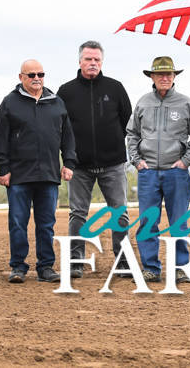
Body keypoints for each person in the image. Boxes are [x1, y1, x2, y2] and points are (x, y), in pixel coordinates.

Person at [0, 59, 76, 283]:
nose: (36, 78)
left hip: (48, 174)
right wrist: (2, 168)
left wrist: (68, 162)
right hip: (18, 176)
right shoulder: (10, 103)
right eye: (31, 75)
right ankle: (18, 266)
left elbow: (67, 136)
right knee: (18, 222)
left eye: (40, 74)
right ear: (21, 77)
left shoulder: (56, 102)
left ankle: (46, 266)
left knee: (46, 224)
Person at [57, 41, 133, 278]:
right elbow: (59, 128)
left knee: (119, 212)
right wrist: (66, 159)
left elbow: (128, 123)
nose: (92, 63)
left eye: (97, 60)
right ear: (80, 61)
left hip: (113, 164)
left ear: (102, 62)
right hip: (79, 166)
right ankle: (75, 262)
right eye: (88, 59)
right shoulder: (66, 91)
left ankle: (123, 263)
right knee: (77, 214)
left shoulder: (115, 88)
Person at [127, 56, 190, 283]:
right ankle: (151, 268)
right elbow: (132, 134)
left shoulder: (185, 103)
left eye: (168, 74)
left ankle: (181, 268)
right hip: (148, 172)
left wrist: (185, 161)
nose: (164, 78)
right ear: (151, 76)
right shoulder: (142, 103)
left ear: (174, 77)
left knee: (179, 221)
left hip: (176, 173)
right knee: (147, 222)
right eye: (160, 74)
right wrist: (137, 161)